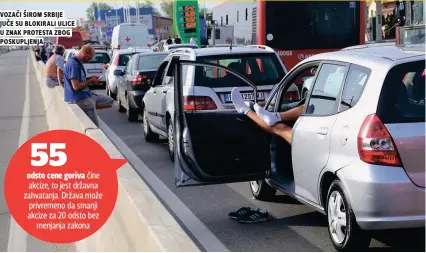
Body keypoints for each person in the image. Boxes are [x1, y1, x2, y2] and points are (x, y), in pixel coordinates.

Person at [62, 45, 114, 127]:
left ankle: (92, 105)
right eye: (89, 58)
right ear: (84, 53)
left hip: (87, 95)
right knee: (94, 127)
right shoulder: (73, 64)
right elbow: (76, 86)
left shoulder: (78, 62)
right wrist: (90, 81)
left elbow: (80, 80)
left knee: (110, 101)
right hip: (80, 99)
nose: (89, 60)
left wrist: (90, 78)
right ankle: (91, 106)